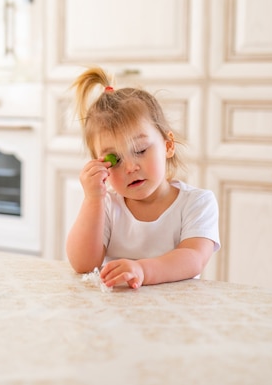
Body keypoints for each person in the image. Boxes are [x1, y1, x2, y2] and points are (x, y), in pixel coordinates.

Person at [66, 66, 220, 289]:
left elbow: (194, 258)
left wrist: (143, 270)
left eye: (139, 150)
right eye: (114, 159)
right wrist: (92, 199)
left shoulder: (197, 203)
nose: (130, 167)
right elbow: (83, 265)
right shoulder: (107, 207)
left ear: (168, 146)